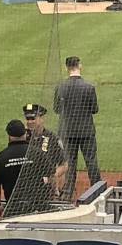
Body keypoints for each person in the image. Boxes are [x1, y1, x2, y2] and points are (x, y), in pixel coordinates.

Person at [53, 55, 102, 190]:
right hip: (86, 131)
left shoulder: (60, 87)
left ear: (67, 68)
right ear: (79, 66)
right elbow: (94, 109)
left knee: (70, 162)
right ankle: (97, 189)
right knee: (91, 161)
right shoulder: (89, 87)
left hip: (67, 131)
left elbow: (56, 109)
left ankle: (69, 190)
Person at [20, 102, 68, 203]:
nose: (30, 122)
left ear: (41, 119)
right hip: (24, 185)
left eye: (33, 118)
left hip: (45, 187)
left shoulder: (52, 139)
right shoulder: (21, 138)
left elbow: (64, 165)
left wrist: (52, 176)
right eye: (27, 119)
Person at [0, 118, 29, 210]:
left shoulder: (1, 157)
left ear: (9, 135)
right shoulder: (37, 153)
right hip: (38, 206)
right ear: (25, 133)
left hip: (13, 207)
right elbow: (51, 176)